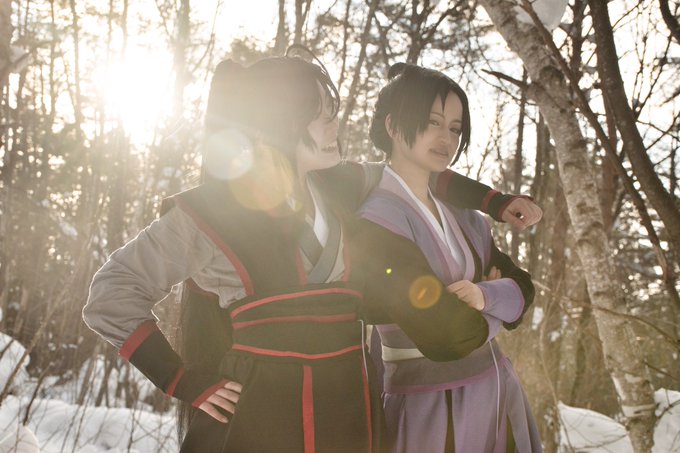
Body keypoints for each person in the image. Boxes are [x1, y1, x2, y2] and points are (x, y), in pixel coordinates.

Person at [83, 53, 541, 452]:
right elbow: (111, 294)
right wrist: (180, 379)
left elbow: (422, 170)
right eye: (323, 116)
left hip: (350, 417)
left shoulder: (338, 186)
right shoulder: (209, 212)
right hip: (258, 421)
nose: (335, 126)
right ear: (281, 124)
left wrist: (495, 202)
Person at [355, 63, 542, 452]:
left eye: (455, 129)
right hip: (425, 407)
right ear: (393, 126)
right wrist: (498, 306)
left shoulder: (465, 216)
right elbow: (445, 336)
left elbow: (524, 289)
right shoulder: (374, 220)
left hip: (497, 395)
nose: (447, 138)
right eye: (433, 123)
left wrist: (483, 296)